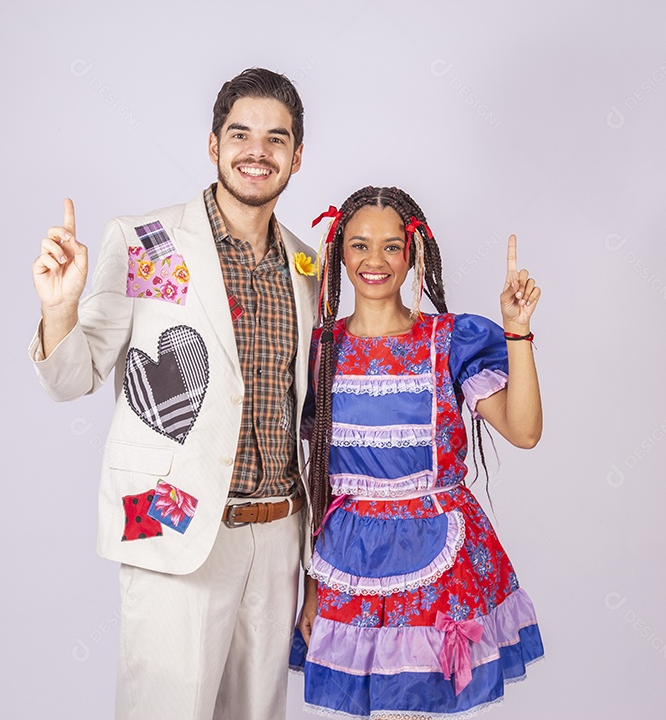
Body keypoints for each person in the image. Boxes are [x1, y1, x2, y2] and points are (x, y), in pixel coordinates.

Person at [28, 68, 318, 720]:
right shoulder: (150, 242)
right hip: (173, 525)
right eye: (240, 134)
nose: (257, 151)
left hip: (277, 542)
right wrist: (59, 311)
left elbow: (310, 418)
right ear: (212, 144)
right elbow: (75, 376)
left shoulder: (308, 265)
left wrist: (315, 563)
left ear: (296, 157)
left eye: (277, 139)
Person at [290, 186, 545, 718]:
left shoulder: (449, 340)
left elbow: (524, 431)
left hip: (441, 562)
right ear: (339, 253)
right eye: (359, 245)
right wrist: (312, 587)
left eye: (391, 247)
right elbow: (317, 479)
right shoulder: (320, 348)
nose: (375, 261)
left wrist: (517, 333)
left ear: (413, 256)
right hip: (347, 563)